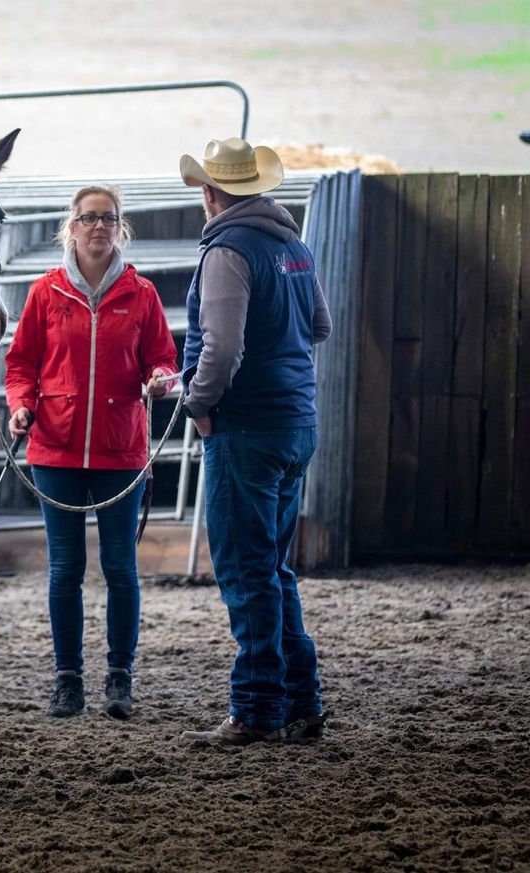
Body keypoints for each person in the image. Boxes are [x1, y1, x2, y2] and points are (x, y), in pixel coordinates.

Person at [175, 138, 333, 745]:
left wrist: (197, 403)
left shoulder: (227, 251)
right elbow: (318, 325)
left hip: (247, 430)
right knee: (274, 569)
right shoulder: (292, 245)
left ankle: (257, 706)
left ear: (212, 194)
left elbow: (222, 348)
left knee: (245, 572)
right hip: (297, 424)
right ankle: (302, 700)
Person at [3, 185, 178, 720]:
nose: (99, 226)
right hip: (54, 450)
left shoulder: (142, 294)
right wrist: (21, 406)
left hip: (120, 451)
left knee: (121, 568)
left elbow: (165, 359)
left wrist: (160, 381)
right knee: (65, 571)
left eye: (108, 218)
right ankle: (68, 679)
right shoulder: (44, 293)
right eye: (89, 218)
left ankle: (120, 678)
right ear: (72, 227)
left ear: (119, 228)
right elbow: (21, 365)